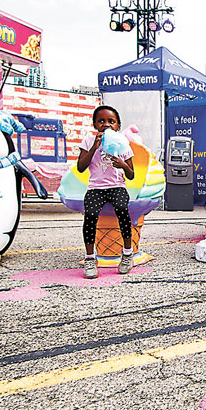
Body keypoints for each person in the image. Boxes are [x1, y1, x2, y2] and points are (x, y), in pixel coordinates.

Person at [77, 105, 135, 279]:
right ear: (94, 124)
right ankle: (90, 258)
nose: (106, 124)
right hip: (96, 188)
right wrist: (94, 147)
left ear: (118, 126)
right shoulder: (89, 140)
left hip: (117, 186)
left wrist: (123, 165)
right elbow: (80, 167)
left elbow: (131, 175)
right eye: (101, 121)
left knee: (122, 210)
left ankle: (127, 253)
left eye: (111, 121)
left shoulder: (122, 142)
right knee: (90, 214)